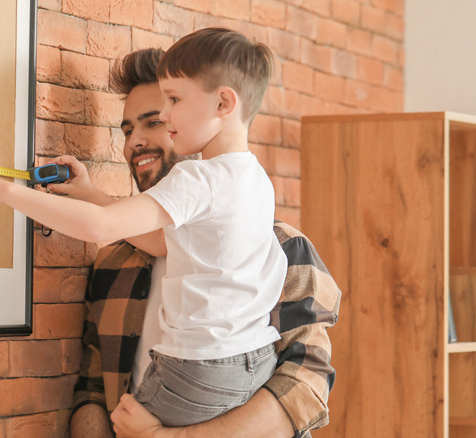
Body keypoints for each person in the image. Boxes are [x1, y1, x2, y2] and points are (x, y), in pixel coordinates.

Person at [0, 27, 296, 429]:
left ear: (223, 102)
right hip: (254, 360)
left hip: (199, 369)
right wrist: (89, 192)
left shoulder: (198, 179)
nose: (166, 117)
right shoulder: (254, 179)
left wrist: (0, 191)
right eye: (128, 129)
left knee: (129, 423)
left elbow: (100, 228)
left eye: (171, 102)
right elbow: (161, 241)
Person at [63, 46, 341, 438]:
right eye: (127, 131)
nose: (133, 143)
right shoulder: (113, 262)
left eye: (155, 121)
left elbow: (304, 387)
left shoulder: (281, 248)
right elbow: (94, 389)